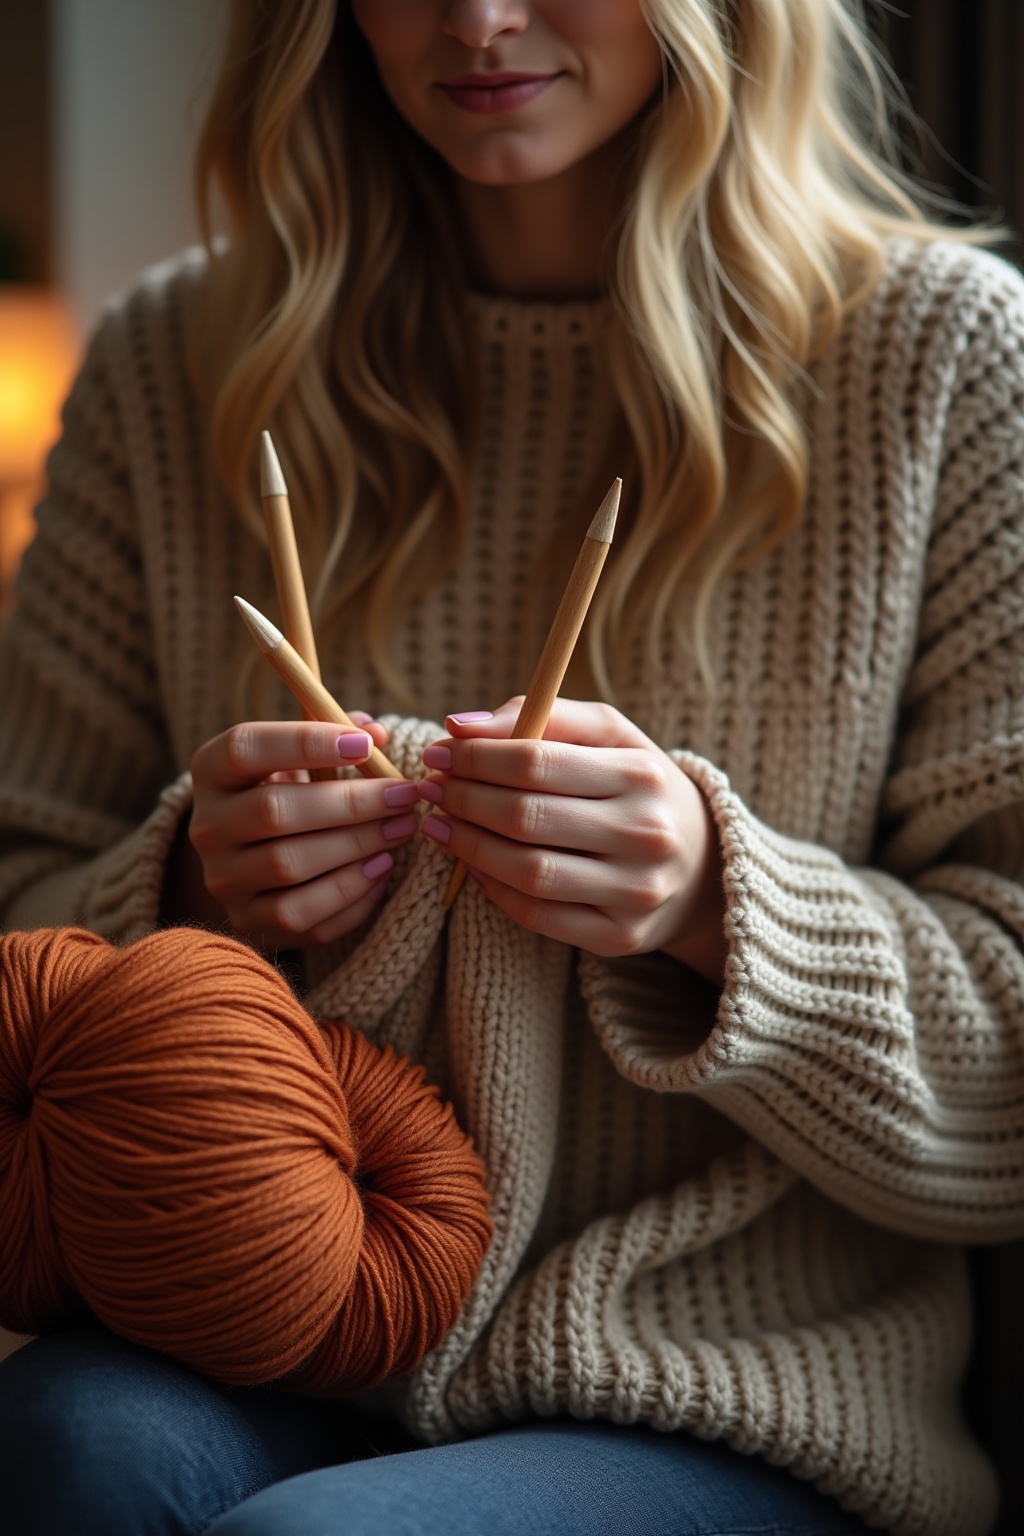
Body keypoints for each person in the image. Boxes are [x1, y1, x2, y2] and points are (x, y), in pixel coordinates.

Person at [0, 0, 1022, 1532]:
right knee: (61, 1443)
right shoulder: (172, 363)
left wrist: (714, 908)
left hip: (718, 1385)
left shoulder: (945, 364)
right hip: (254, 1322)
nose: (478, 19)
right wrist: (192, 898)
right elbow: (22, 911)